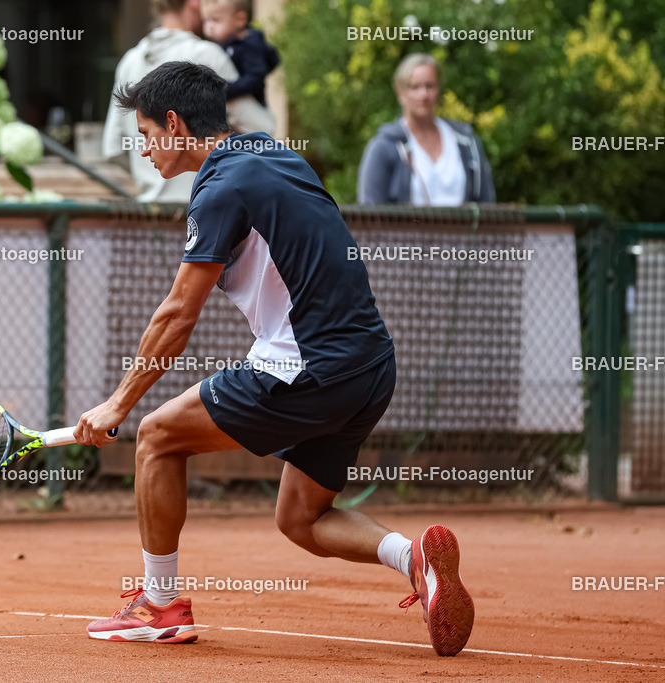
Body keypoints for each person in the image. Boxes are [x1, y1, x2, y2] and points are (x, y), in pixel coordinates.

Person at [76, 61, 474, 657]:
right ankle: (413, 559)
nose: (144, 149)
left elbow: (178, 313)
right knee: (301, 519)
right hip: (370, 367)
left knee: (156, 437)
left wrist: (116, 405)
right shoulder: (273, 154)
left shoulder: (219, 187)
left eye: (147, 134)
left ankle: (159, 605)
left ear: (177, 125)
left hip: (308, 367)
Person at [102, 0, 274, 203]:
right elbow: (264, 130)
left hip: (149, 214)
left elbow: (112, 148)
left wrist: (153, 178)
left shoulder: (130, 60)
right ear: (194, 3)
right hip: (205, 206)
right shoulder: (207, 56)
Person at [357, 53, 495, 205]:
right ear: (400, 92)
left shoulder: (465, 141)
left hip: (464, 229)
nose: (423, 95)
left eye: (430, 86)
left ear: (439, 89)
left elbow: (487, 202)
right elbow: (369, 212)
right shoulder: (384, 147)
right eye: (414, 87)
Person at [201, 0, 280, 107]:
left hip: (252, 107)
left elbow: (255, 77)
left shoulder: (250, 45)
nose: (209, 26)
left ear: (239, 19)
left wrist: (225, 90)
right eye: (206, 20)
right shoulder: (225, 42)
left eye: (216, 20)